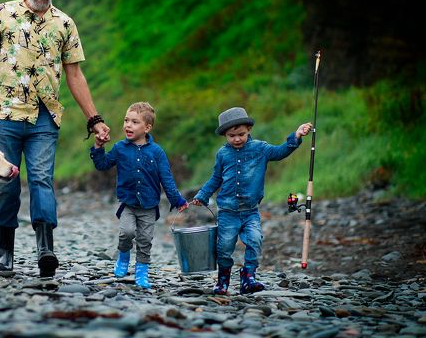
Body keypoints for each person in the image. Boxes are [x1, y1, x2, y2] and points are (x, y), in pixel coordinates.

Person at [0, 0, 110, 278]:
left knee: (42, 180)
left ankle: (46, 250)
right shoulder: (2, 13)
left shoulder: (64, 23)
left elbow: (75, 75)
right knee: (6, 183)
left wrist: (94, 118)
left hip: (45, 117)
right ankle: (5, 255)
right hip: (5, 114)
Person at [191, 107, 312, 295]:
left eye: (241, 134)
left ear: (249, 129)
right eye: (231, 136)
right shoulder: (222, 154)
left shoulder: (260, 149)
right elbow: (216, 178)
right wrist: (202, 195)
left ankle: (248, 277)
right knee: (224, 247)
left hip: (250, 211)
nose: (237, 139)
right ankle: (223, 281)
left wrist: (296, 136)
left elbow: (280, 151)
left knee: (255, 240)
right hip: (228, 211)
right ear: (225, 135)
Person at [90, 102, 188, 289]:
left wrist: (177, 200)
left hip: (149, 206)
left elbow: (166, 179)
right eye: (126, 120)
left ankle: (142, 271)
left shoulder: (157, 152)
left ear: (147, 127)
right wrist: (98, 147)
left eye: (135, 122)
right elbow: (102, 165)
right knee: (126, 232)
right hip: (127, 203)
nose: (128, 125)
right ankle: (123, 256)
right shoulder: (120, 148)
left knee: (145, 240)